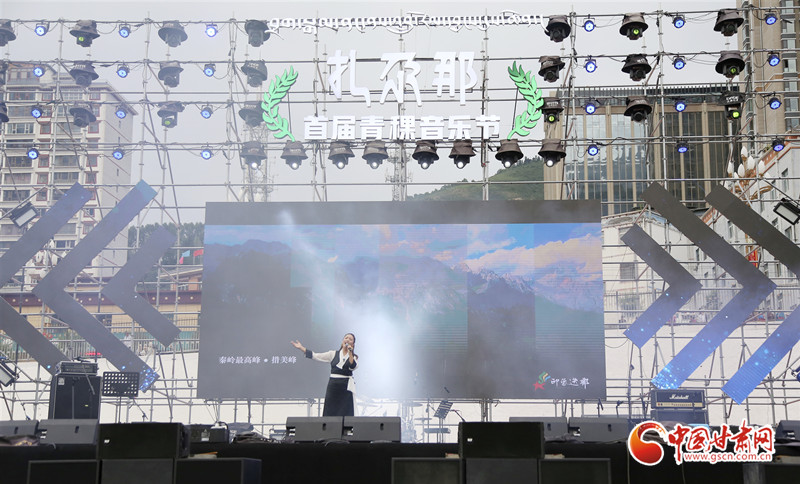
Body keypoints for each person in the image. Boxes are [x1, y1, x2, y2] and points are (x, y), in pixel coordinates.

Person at [291, 333, 358, 416]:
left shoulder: (354, 357)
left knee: (346, 411)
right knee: (330, 409)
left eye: (350, 339)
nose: (347, 340)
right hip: (333, 386)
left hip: (346, 387)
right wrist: (302, 348)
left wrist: (350, 352)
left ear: (353, 344)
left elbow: (352, 366)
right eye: (346, 338)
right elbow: (316, 356)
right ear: (342, 341)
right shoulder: (333, 354)